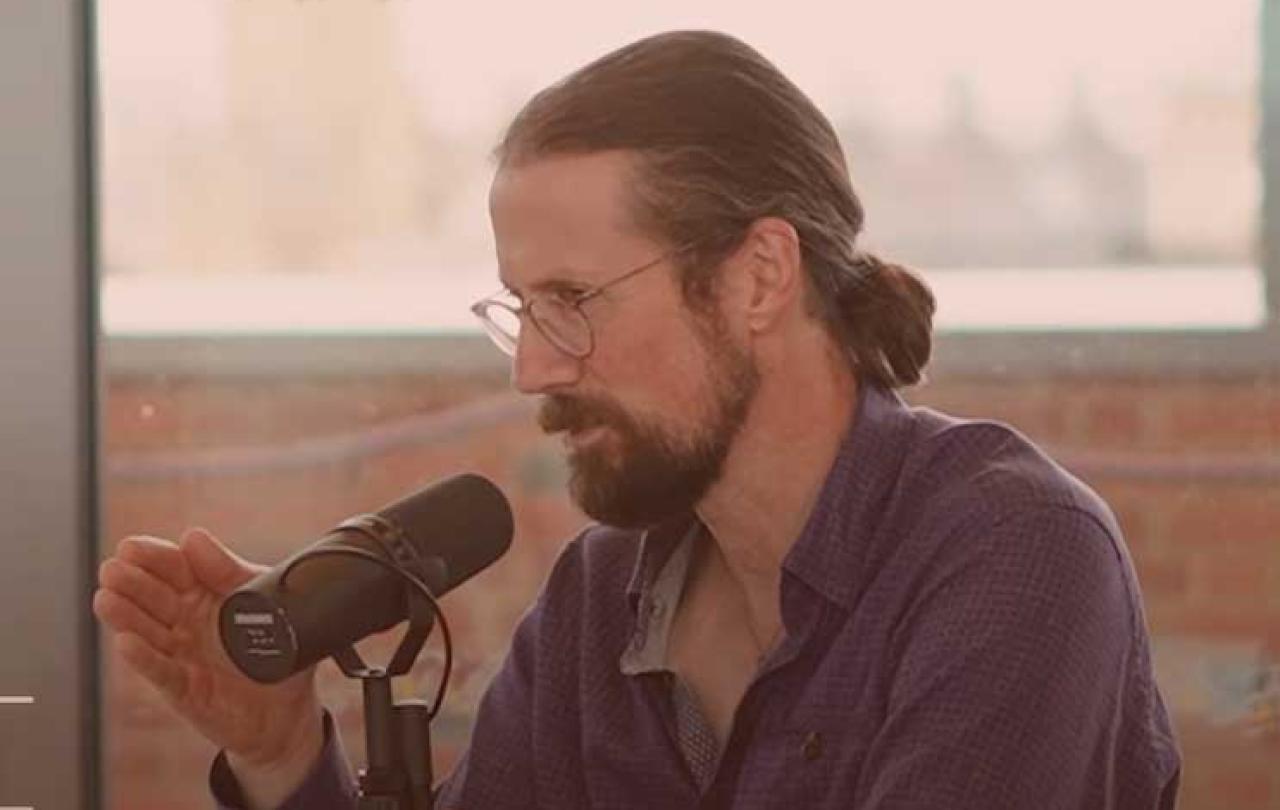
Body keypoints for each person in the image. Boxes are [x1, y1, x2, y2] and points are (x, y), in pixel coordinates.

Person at [93, 29, 1182, 809]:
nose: (530, 368)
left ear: (757, 278)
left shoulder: (1013, 558)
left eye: (572, 301)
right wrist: (283, 757)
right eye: (520, 309)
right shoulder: (598, 599)